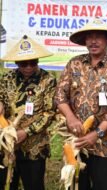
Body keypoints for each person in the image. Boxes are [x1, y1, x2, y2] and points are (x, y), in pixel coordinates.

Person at [54, 17, 107, 190]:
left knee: (104, 185)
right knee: (77, 185)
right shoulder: (74, 63)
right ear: (84, 41)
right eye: (89, 37)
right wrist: (70, 117)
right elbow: (59, 95)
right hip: (77, 140)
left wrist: (97, 133)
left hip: (106, 144)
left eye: (99, 37)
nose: (93, 41)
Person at [0, 35, 57, 190]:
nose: (28, 67)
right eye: (23, 64)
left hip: (34, 147)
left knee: (34, 185)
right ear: (16, 62)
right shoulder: (7, 78)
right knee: (5, 183)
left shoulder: (48, 80)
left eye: (33, 63)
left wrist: (26, 132)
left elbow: (49, 113)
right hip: (6, 145)